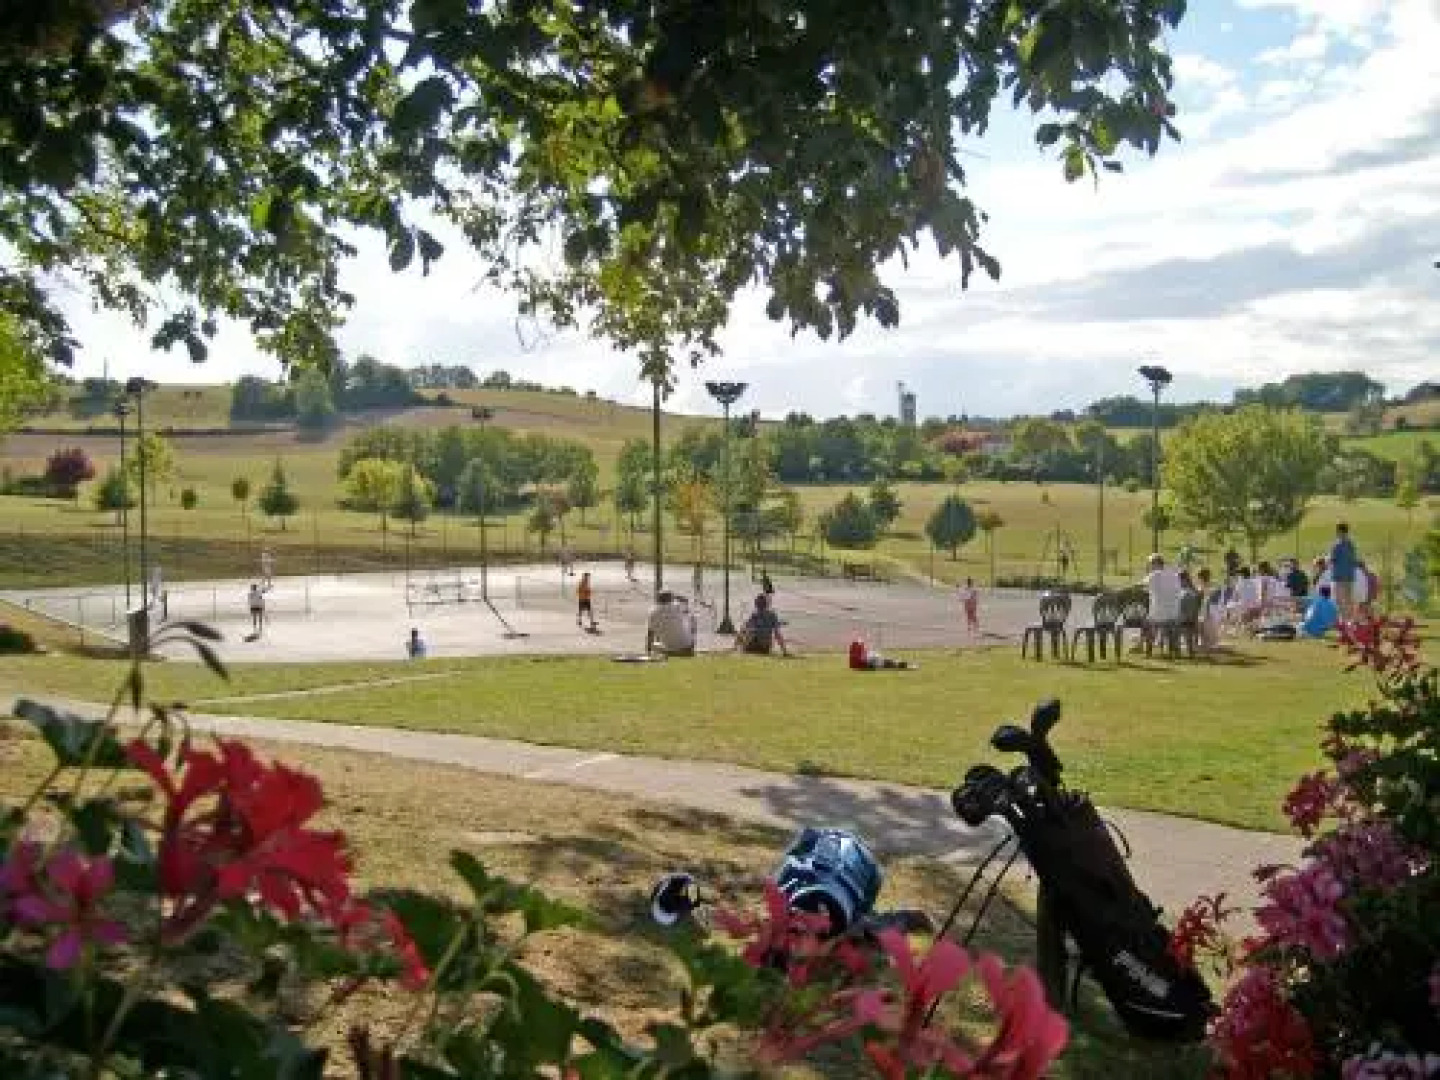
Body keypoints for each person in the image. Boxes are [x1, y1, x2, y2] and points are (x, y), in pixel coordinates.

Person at [645, 591, 696, 656]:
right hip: (688, 647)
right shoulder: (678, 606)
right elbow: (685, 600)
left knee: (654, 645)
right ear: (671, 599)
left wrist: (648, 652)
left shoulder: (653, 613)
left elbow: (650, 634)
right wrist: (676, 596)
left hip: (670, 648)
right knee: (691, 619)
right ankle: (685, 650)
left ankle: (670, 652)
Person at [1329, 523, 1359, 617]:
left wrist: (1328, 560)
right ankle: (1350, 619)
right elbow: (1354, 560)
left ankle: (1344, 620)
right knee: (1348, 599)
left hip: (1339, 577)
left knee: (1338, 600)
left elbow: (1333, 560)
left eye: (1337, 531)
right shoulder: (1351, 545)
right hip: (1349, 576)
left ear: (1340, 532)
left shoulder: (1337, 545)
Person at [848, 637, 914, 670]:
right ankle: (904, 665)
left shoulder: (855, 651)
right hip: (868, 664)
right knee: (887, 662)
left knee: (886, 661)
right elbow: (862, 659)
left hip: (868, 663)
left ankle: (903, 665)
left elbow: (858, 660)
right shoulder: (857, 652)